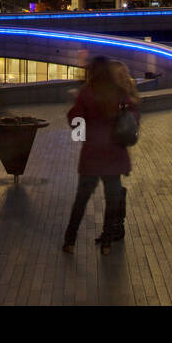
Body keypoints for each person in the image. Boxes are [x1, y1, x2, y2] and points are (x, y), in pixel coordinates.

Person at [62, 57, 140, 255]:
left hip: (92, 155)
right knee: (112, 200)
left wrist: (82, 135)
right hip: (114, 154)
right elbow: (133, 113)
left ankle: (70, 241)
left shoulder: (86, 92)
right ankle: (106, 242)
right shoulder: (118, 92)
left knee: (81, 199)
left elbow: (74, 117)